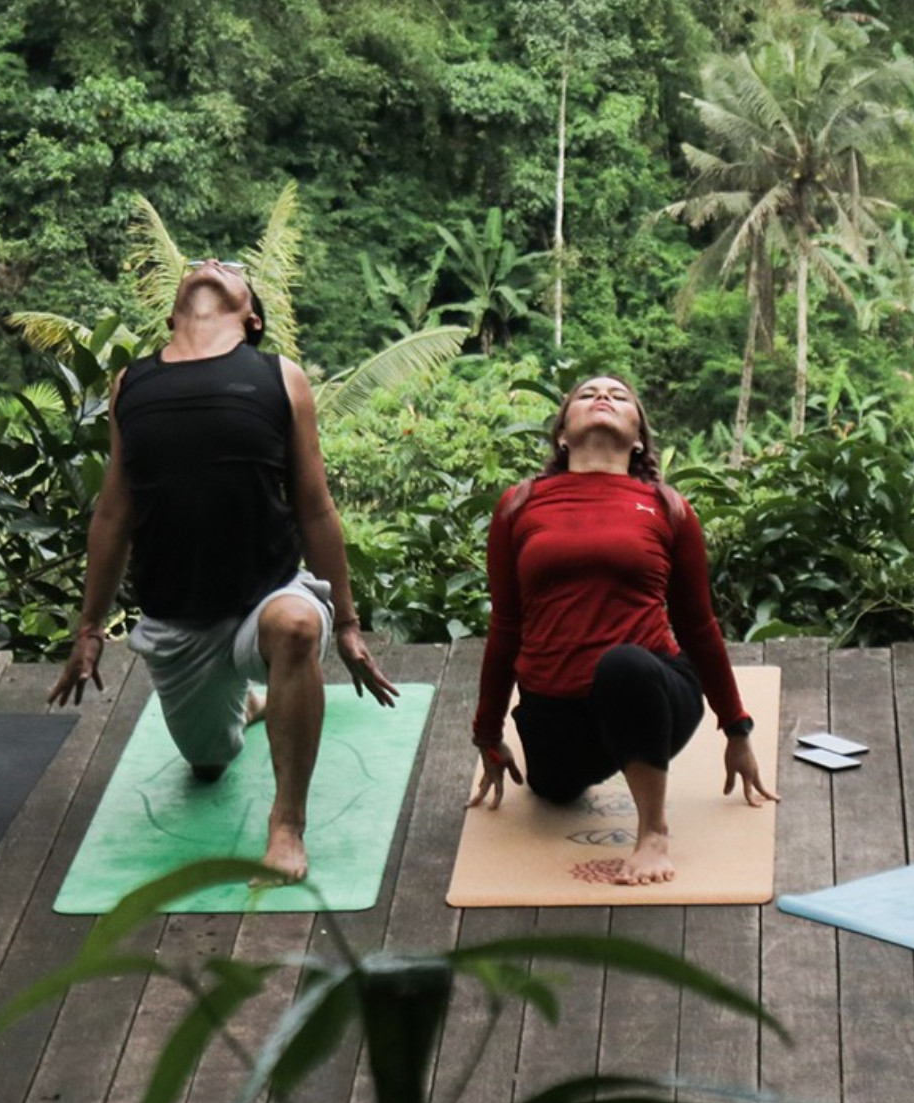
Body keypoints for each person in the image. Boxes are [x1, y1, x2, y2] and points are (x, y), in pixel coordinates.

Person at [47, 257, 397, 883]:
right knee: (208, 764)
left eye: (232, 267)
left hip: (268, 595)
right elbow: (114, 511)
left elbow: (314, 507)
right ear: (172, 310)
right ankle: (249, 706)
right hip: (176, 618)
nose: (212, 263)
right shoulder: (133, 383)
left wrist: (344, 624)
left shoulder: (277, 377)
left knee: (294, 627)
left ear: (251, 315)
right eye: (203, 263)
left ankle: (287, 822)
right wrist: (89, 627)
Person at [467, 375, 775, 886]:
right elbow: (506, 626)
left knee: (624, 664)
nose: (602, 398)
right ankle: (592, 758)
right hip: (558, 713)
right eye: (586, 395)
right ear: (562, 435)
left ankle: (653, 833)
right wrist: (487, 733)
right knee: (552, 792)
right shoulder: (519, 505)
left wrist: (737, 728)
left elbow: (698, 626)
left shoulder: (667, 508)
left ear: (638, 439)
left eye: (619, 396)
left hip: (652, 696)